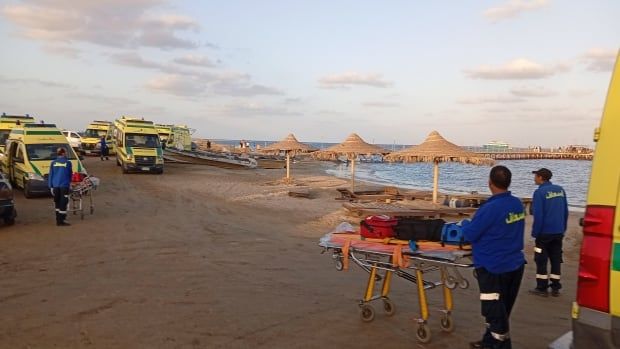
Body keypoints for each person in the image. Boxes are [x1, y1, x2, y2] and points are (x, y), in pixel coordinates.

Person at [463, 165, 526, 349]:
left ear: (490, 183)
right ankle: (489, 341)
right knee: (502, 310)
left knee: (495, 312)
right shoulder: (517, 203)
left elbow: (470, 235)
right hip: (514, 264)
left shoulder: (490, 208)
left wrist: (466, 223)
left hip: (493, 267)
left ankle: (500, 344)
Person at [529, 168, 568, 297]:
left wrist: (535, 233)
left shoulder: (539, 192)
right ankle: (555, 286)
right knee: (556, 258)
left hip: (544, 233)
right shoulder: (560, 190)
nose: (534, 178)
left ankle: (542, 287)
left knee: (541, 259)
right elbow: (565, 211)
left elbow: (538, 215)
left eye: (536, 176)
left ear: (540, 178)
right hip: (558, 231)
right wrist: (563, 228)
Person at [48, 147, 73, 226]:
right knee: (63, 202)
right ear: (63, 153)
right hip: (64, 186)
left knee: (57, 202)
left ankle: (58, 219)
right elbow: (70, 175)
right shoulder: (68, 163)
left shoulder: (53, 163)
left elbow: (51, 175)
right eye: (65, 152)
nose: (66, 154)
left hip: (55, 186)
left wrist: (51, 186)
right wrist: (70, 184)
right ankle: (61, 220)